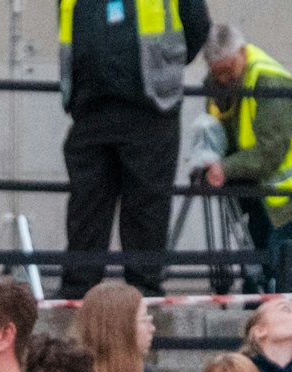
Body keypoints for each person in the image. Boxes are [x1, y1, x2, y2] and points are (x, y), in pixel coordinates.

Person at [52, 0, 202, 296]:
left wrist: (164, 65)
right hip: (91, 108)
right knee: (86, 205)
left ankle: (143, 290)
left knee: (146, 206)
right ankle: (78, 290)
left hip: (149, 107)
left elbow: (197, 27)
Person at [198, 25, 292, 300]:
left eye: (228, 70)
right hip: (263, 183)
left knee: (279, 260)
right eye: (217, 73)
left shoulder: (269, 81)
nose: (224, 78)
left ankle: (288, 326)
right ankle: (257, 323)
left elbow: (270, 151)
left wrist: (226, 168)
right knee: (259, 259)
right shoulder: (222, 84)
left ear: (242, 53)